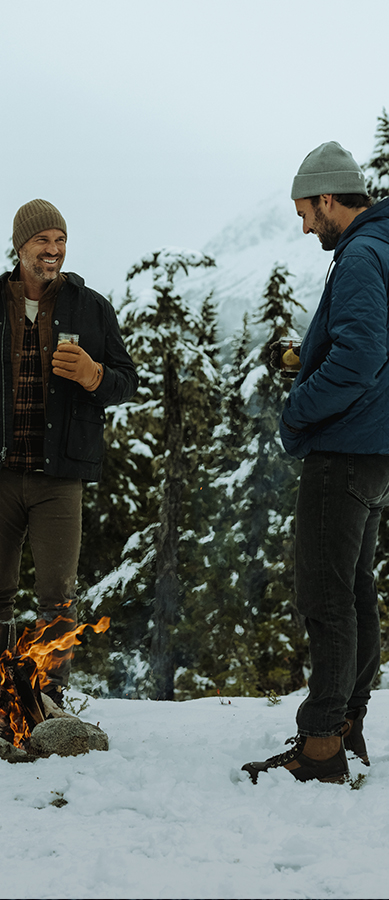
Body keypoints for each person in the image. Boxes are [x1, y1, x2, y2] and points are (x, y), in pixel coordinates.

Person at [0, 199, 138, 706]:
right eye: (43, 240)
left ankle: (46, 699)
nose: (54, 250)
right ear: (20, 246)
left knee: (56, 597)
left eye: (60, 240)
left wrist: (95, 375)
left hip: (59, 477)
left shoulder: (92, 308)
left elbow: (127, 382)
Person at [243, 142, 389, 784]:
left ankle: (321, 742)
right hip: (377, 450)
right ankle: (348, 721)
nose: (305, 226)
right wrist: (311, 354)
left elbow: (360, 359)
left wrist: (299, 407)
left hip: (345, 448)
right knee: (355, 592)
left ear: (329, 199)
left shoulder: (359, 254)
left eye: (306, 212)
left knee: (325, 599)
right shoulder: (385, 247)